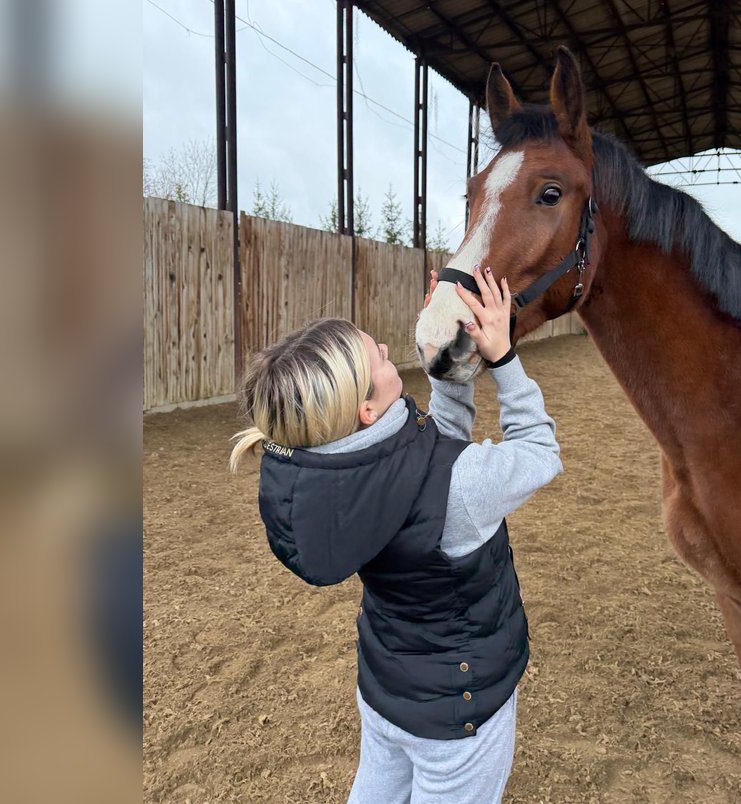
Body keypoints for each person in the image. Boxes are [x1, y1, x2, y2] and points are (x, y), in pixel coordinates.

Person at [229, 265, 562, 803]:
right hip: (457, 713)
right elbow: (539, 452)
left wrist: (446, 350)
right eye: (379, 359)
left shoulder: (330, 476)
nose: (387, 349)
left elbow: (436, 448)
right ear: (367, 409)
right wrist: (503, 358)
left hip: (387, 689)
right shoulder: (463, 487)